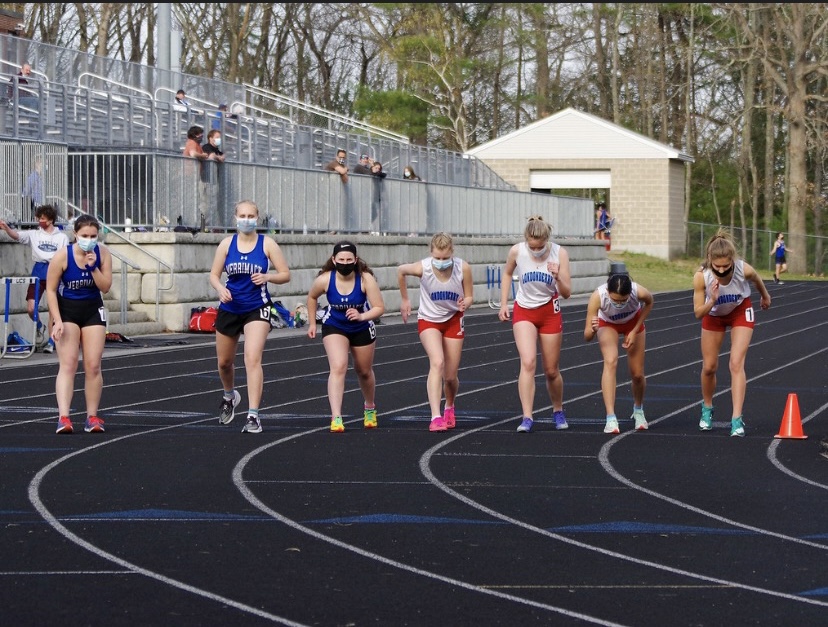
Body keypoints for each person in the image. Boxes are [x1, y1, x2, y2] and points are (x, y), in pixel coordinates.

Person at [209, 200, 291, 434]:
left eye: (251, 215)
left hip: (257, 307)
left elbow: (285, 274)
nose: (246, 219)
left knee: (252, 358)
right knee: (225, 363)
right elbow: (214, 275)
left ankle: (253, 415)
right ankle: (229, 395)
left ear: (258, 218)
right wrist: (220, 289)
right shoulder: (226, 244)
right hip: (230, 307)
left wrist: (268, 278)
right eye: (242, 215)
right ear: (235, 218)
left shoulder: (267, 244)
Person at [693, 229, 771, 437]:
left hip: (740, 311)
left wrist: (764, 296)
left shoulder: (742, 269)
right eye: (717, 266)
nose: (721, 270)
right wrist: (712, 299)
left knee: (736, 363)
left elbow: (756, 279)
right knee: (709, 367)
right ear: (710, 260)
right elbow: (698, 313)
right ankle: (707, 408)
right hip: (713, 315)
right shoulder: (702, 277)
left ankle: (737, 419)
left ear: (732, 261)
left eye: (725, 266)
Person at [498, 215, 571, 432]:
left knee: (551, 370)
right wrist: (504, 303)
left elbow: (567, 293)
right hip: (524, 311)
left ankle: (558, 410)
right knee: (528, 362)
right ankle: (527, 416)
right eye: (532, 246)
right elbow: (507, 273)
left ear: (547, 241)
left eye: (539, 247)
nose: (535, 250)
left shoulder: (560, 253)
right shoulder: (517, 251)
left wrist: (558, 277)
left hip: (549, 312)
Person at [398, 232, 473, 431]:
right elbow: (400, 270)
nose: (441, 262)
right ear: (431, 253)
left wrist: (465, 303)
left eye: (445, 258)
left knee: (450, 376)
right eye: (437, 258)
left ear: (452, 253)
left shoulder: (462, 267)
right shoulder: (423, 267)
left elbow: (470, 296)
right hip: (429, 320)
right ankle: (435, 416)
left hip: (453, 320)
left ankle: (449, 406)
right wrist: (405, 299)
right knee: (437, 362)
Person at [307, 241, 385, 433]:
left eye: (349, 259)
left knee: (364, 371)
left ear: (355, 260)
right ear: (334, 260)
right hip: (335, 325)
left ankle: (369, 407)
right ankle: (336, 417)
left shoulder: (365, 279)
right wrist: (311, 323)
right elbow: (311, 297)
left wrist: (362, 316)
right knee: (338, 366)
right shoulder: (325, 279)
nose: (345, 263)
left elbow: (379, 308)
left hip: (361, 326)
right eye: (341, 259)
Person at [45, 214, 113, 434]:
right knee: (69, 364)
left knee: (93, 365)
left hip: (93, 309)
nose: (89, 240)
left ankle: (92, 417)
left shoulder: (102, 254)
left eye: (93, 236)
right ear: (75, 234)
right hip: (68, 311)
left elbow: (105, 287)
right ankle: (63, 417)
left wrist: (93, 268)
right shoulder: (62, 256)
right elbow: (51, 289)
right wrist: (56, 320)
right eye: (85, 235)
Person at [584, 272, 654, 434]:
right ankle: (610, 417)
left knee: (637, 374)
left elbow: (650, 302)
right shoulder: (597, 297)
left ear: (630, 294)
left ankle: (638, 410)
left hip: (633, 322)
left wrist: (635, 330)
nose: (620, 304)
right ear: (608, 292)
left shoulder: (639, 292)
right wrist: (593, 330)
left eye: (624, 300)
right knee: (611, 361)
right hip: (607, 323)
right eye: (615, 300)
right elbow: (586, 336)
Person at [0, 204, 68, 353]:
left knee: (53, 311)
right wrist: (6, 228)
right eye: (39, 218)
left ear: (50, 220)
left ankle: (51, 341)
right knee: (31, 308)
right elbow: (17, 236)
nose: (39, 221)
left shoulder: (62, 237)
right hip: (38, 271)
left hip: (54, 270)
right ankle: (39, 327)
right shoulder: (34, 234)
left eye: (42, 219)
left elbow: (65, 256)